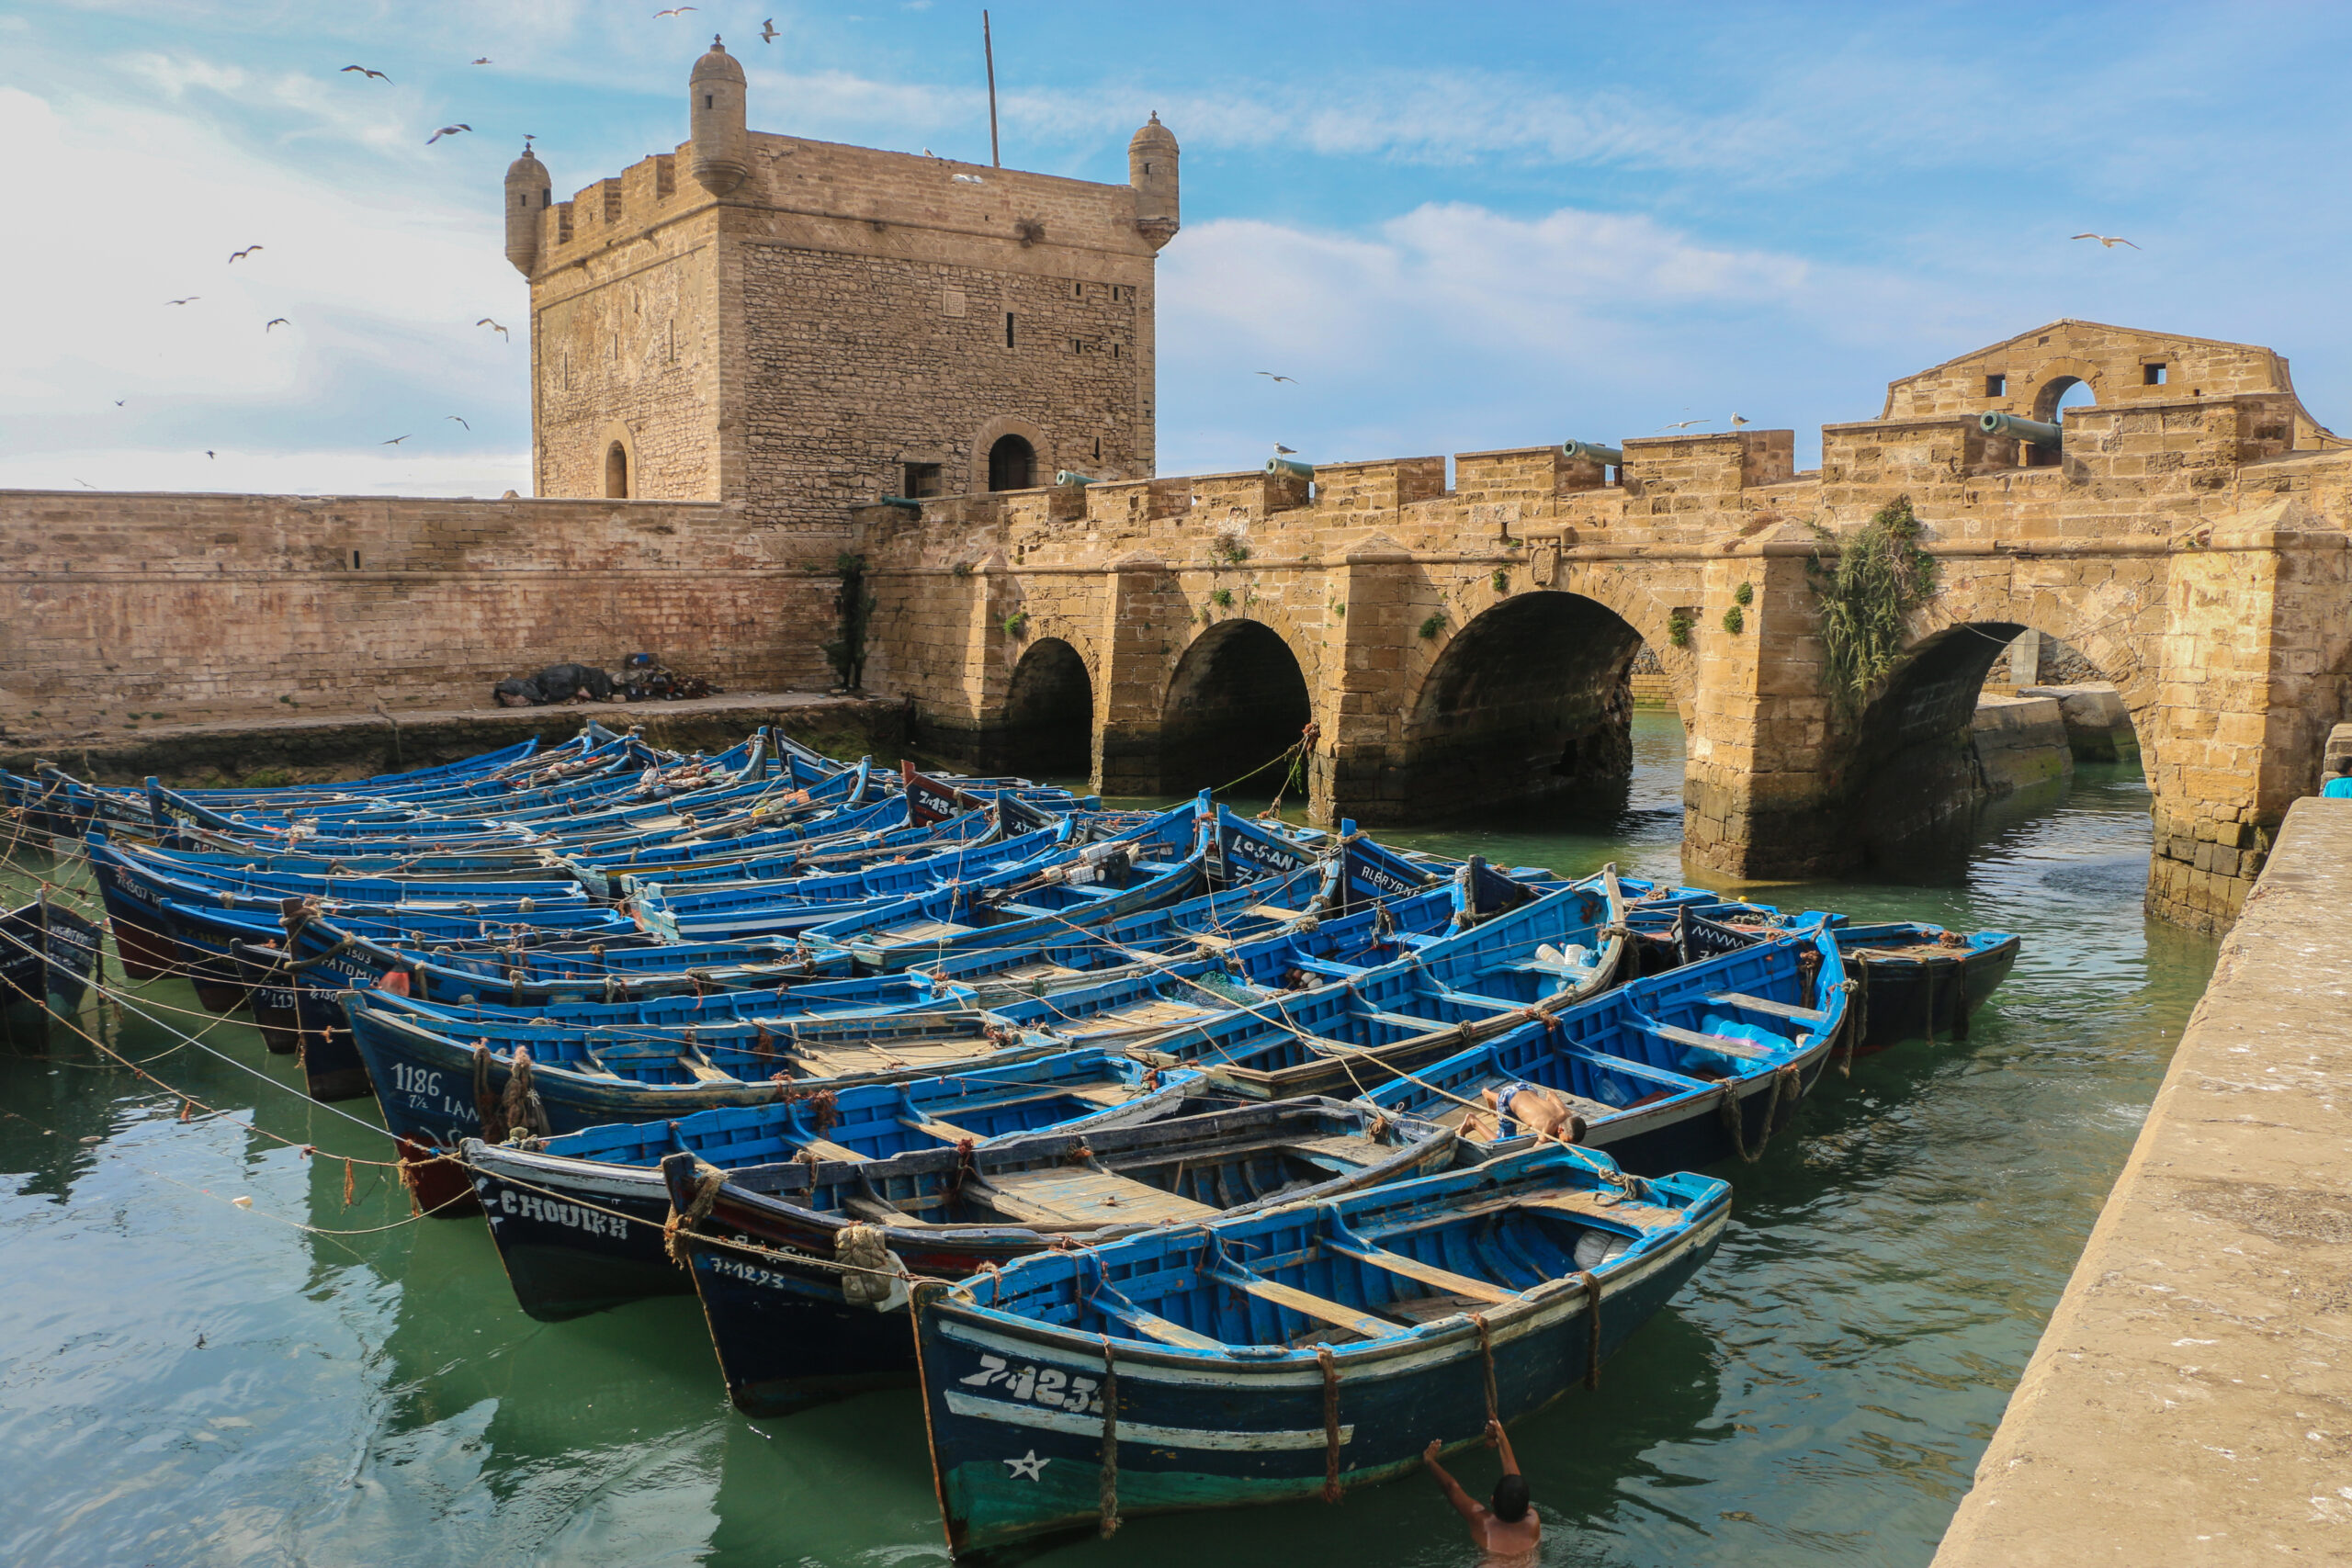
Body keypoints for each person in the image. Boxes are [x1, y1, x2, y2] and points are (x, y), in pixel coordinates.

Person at [1422, 1419, 1540, 1563]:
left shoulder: (1483, 1523)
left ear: (1492, 1501)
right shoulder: (1533, 1522)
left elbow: (1451, 1488)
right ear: (1527, 1507)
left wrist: (1430, 1461)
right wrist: (1502, 1438)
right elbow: (1515, 1483)